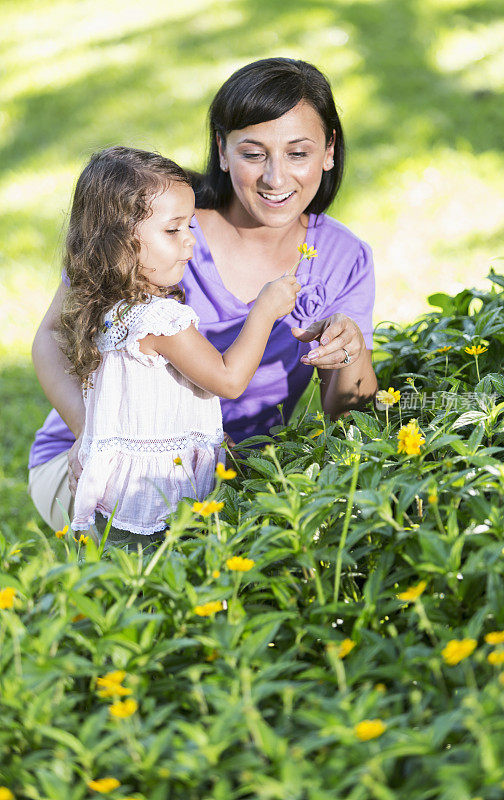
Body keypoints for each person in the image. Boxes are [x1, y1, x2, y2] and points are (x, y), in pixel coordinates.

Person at [29, 57, 378, 534]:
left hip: (224, 478)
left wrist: (352, 349)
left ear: (328, 151)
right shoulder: (159, 230)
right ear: (221, 148)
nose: (277, 179)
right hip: (106, 458)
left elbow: (348, 412)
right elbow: (51, 335)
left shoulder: (344, 257)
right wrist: (93, 432)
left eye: (298, 153)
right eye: (253, 154)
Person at [55, 146, 300, 547]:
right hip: (158, 504)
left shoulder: (107, 309)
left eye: (190, 227)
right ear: (119, 242)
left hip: (121, 499)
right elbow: (229, 379)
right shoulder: (158, 320)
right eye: (173, 230)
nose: (190, 242)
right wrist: (265, 310)